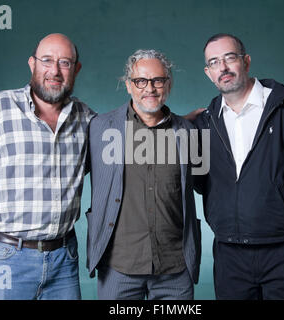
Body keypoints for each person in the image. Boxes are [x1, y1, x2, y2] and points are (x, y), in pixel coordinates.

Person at [0, 33, 96, 300]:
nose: (54, 71)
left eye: (64, 63)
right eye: (47, 60)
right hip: (8, 256)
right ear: (32, 64)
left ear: (76, 69)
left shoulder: (86, 118)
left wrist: (176, 123)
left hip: (64, 258)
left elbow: (118, 151)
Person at [192, 33, 284, 299]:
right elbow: (200, 180)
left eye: (230, 58)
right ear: (208, 73)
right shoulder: (205, 123)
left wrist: (281, 198)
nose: (224, 68)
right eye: (215, 62)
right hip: (230, 253)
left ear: (246, 61)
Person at [86, 49, 201, 300]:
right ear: (128, 85)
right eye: (140, 81)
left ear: (168, 84)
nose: (150, 88)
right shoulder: (99, 128)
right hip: (119, 268)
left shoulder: (188, 132)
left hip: (174, 270)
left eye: (158, 80)